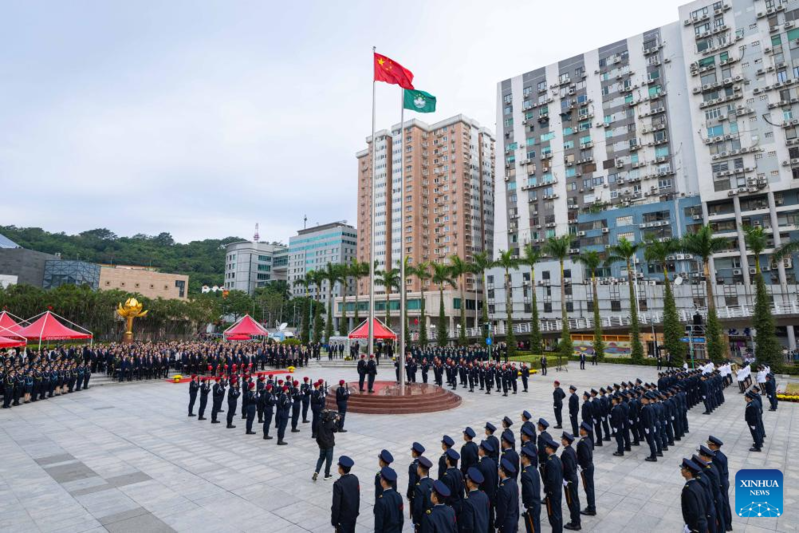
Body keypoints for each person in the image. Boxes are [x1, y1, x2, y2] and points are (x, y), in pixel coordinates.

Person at [331, 455, 360, 533]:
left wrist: (334, 521)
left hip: (343, 519)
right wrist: (356, 512)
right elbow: (357, 497)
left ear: (340, 469)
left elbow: (336, 505)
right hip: (352, 516)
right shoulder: (355, 478)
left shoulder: (338, 484)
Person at [680, 458, 708, 533]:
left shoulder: (689, 489)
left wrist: (690, 527)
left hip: (696, 526)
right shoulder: (697, 484)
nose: (681, 470)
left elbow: (694, 511)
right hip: (701, 522)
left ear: (689, 473)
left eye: (683, 469)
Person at [560, 432, 581, 531]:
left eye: (562, 439)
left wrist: (565, 480)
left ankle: (575, 523)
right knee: (575, 500)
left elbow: (567, 468)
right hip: (574, 478)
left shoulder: (566, 453)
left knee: (571, 502)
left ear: (566, 440)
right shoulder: (571, 450)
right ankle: (576, 521)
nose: (561, 440)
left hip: (569, 480)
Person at [542, 437, 563, 533]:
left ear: (550, 449)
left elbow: (550, 479)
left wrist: (546, 489)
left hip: (553, 492)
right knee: (557, 513)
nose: (545, 448)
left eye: (547, 447)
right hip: (558, 490)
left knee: (553, 515)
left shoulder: (550, 462)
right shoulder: (557, 459)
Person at [374, 466, 403, 533]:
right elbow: (401, 519)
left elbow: (379, 525)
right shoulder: (398, 496)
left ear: (383, 482)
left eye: (381, 479)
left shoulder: (381, 501)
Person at [313, 409, 339, 481]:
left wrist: (319, 443)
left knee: (321, 458)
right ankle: (326, 475)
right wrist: (337, 421)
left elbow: (317, 436)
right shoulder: (330, 423)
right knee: (329, 460)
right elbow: (335, 430)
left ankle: (316, 471)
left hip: (322, 444)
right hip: (329, 445)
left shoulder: (319, 423)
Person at [520, 444, 541, 533]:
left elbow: (529, 492)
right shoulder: (534, 469)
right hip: (537, 503)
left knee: (531, 528)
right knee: (536, 526)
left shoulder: (525, 473)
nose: (520, 458)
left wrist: (526, 506)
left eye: (521, 456)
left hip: (531, 505)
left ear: (525, 458)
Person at [577, 422, 596, 517]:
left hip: (586, 468)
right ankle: (591, 507)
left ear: (584, 430)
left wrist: (582, 466)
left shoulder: (582, 442)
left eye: (581, 429)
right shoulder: (588, 439)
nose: (579, 430)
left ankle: (591, 508)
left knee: (588, 488)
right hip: (590, 466)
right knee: (590, 487)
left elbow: (586, 456)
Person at [495, 459, 520, 533]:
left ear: (503, 471)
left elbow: (502, 510)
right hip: (513, 520)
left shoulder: (503, 488)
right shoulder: (514, 483)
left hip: (506, 523)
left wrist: (497, 524)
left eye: (499, 468)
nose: (498, 469)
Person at [412, 456, 435, 529]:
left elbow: (418, 507)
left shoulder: (419, 486)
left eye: (418, 467)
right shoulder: (432, 482)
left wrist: (416, 521)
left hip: (423, 519)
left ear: (420, 469)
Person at [441, 448, 464, 516]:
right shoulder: (459, 472)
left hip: (450, 506)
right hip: (458, 503)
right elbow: (461, 491)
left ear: (448, 461)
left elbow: (446, 495)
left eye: (446, 457)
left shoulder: (446, 476)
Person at [407, 442, 426, 511]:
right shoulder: (425, 462)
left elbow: (411, 483)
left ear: (414, 452)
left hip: (416, 492)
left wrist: (409, 494)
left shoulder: (412, 466)